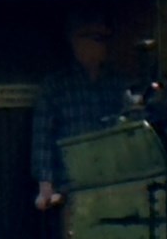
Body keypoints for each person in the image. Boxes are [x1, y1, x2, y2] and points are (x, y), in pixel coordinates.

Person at [30, 14, 133, 209]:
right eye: (97, 38)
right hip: (71, 187)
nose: (103, 45)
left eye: (105, 38)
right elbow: (43, 140)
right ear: (76, 41)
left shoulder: (117, 84)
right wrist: (46, 187)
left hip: (113, 183)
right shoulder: (55, 87)